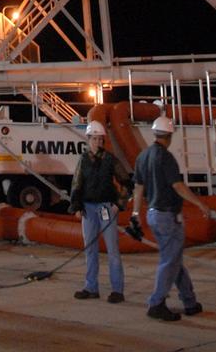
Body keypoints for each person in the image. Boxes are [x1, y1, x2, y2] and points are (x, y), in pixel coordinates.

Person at [132, 115, 212, 322]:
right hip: (167, 216)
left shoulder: (142, 156)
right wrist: (200, 204)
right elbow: (177, 186)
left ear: (155, 133)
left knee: (174, 259)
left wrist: (135, 214)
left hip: (152, 215)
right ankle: (156, 303)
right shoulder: (166, 158)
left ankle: (190, 302)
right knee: (170, 261)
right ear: (169, 136)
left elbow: (138, 187)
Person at [69, 119, 130, 303]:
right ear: (88, 139)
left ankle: (117, 290)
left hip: (105, 207)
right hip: (88, 208)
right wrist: (77, 206)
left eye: (100, 139)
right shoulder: (83, 160)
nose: (97, 142)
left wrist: (118, 204)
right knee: (90, 249)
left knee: (112, 250)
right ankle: (91, 288)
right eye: (94, 139)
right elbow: (77, 183)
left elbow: (127, 182)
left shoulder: (110, 160)